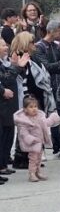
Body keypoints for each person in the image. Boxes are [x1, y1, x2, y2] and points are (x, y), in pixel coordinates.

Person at [32, 20, 60, 158]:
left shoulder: (57, 46)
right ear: (51, 31)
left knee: (56, 116)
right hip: (44, 86)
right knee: (41, 118)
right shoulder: (39, 47)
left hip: (58, 85)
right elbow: (45, 66)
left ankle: (57, 147)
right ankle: (41, 148)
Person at [14, 95, 60, 182]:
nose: (34, 109)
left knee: (39, 158)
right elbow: (23, 133)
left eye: (35, 106)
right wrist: (31, 139)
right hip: (33, 143)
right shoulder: (24, 120)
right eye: (31, 107)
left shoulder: (39, 117)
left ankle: (38, 172)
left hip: (40, 142)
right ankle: (32, 174)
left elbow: (46, 123)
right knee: (33, 159)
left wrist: (53, 118)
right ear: (25, 109)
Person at [0, 38, 18, 179]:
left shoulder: (3, 63)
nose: (6, 47)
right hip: (3, 105)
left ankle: (3, 164)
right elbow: (6, 80)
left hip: (7, 106)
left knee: (7, 135)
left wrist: (16, 66)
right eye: (3, 45)